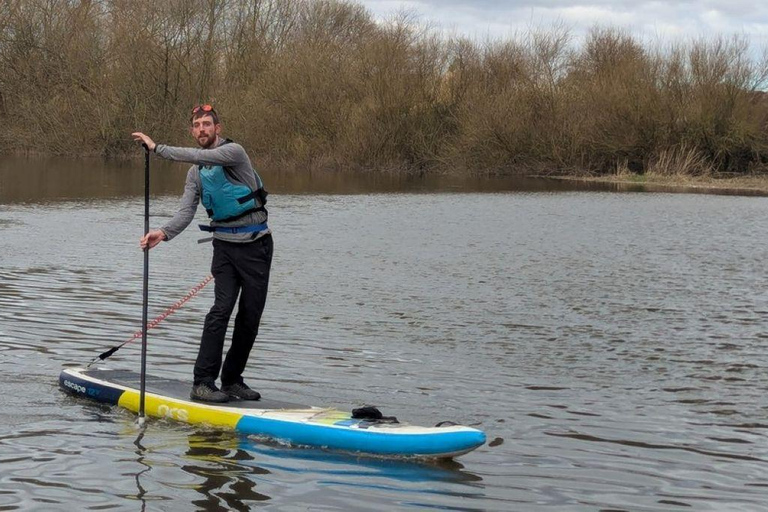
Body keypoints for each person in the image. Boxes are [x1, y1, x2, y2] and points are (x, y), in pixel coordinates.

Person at [132, 104, 272, 403]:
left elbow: (199, 155)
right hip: (224, 248)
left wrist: (158, 149)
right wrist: (164, 232)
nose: (202, 130)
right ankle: (203, 382)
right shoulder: (195, 175)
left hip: (256, 246)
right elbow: (185, 212)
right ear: (192, 131)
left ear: (217, 128)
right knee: (220, 310)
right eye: (197, 126)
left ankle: (232, 380)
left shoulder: (234, 153)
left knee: (250, 317)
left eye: (207, 124)